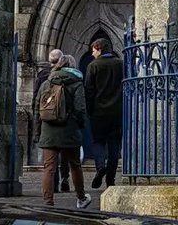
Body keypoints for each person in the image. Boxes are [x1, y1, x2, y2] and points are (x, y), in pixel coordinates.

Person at [36, 54, 91, 209]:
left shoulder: (47, 82)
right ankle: (81, 198)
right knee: (75, 165)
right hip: (69, 129)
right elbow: (80, 108)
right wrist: (80, 124)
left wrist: (39, 129)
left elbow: (38, 106)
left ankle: (48, 202)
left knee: (49, 167)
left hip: (49, 129)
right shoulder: (76, 83)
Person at [85, 35, 124, 188]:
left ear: (99, 49)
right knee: (114, 146)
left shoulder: (93, 66)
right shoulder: (120, 64)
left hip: (99, 111)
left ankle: (100, 166)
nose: (92, 53)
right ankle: (110, 180)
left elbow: (89, 90)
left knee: (98, 142)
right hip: (117, 111)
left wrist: (89, 110)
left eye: (93, 50)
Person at [33, 48, 73, 192]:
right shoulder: (70, 77)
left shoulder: (43, 76)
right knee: (65, 153)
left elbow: (36, 101)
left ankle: (51, 189)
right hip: (65, 120)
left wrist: (37, 125)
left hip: (48, 121)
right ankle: (65, 178)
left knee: (50, 160)